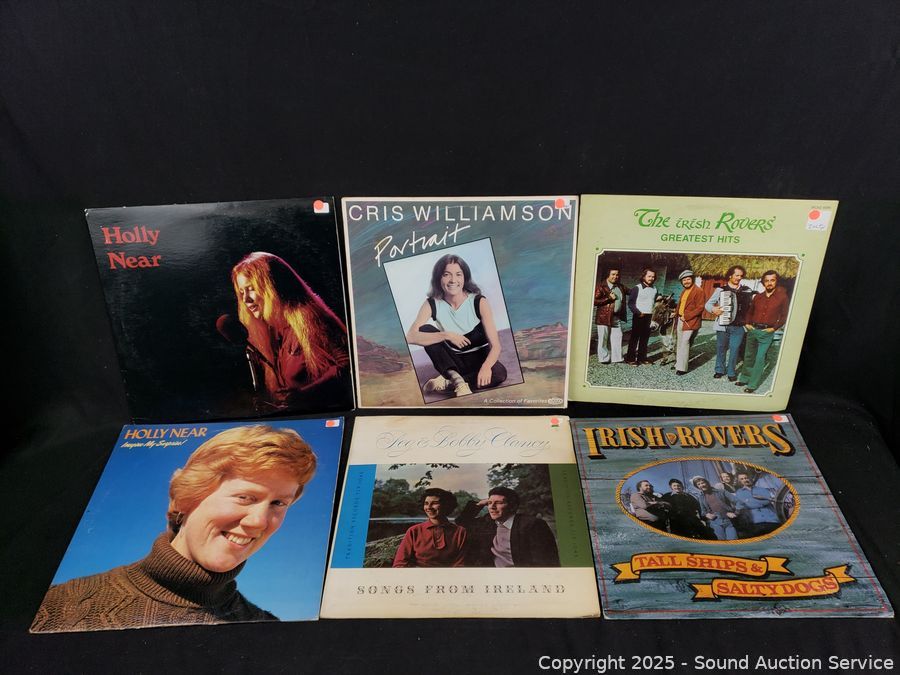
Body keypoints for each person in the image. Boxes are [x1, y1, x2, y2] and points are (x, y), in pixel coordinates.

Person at [31, 425, 317, 632]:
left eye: (278, 503)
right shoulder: (59, 605)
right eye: (245, 497)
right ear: (186, 499)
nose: (259, 521)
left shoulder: (268, 628)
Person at [232, 251, 349, 410]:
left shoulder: (312, 319)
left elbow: (349, 366)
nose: (246, 299)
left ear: (272, 287)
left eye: (251, 289)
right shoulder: (272, 332)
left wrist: (304, 395)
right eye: (241, 292)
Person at [406, 254, 507, 398]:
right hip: (454, 361)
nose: (453, 280)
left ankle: (447, 382)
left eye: (458, 274)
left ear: (465, 277)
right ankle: (457, 380)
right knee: (425, 330)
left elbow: (496, 346)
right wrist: (447, 335)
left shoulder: (479, 302)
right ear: (439, 278)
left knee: (499, 373)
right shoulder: (431, 303)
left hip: (480, 359)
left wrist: (486, 367)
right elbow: (410, 337)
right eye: (446, 274)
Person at [456, 487, 559, 567]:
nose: (492, 507)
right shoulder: (488, 522)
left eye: (499, 503)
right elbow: (461, 522)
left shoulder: (532, 525)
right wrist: (479, 504)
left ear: (513, 506)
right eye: (490, 503)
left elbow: (546, 562)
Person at [736, 270, 790, 393]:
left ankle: (752, 385)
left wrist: (774, 328)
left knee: (760, 358)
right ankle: (744, 378)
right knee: (749, 356)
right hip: (753, 330)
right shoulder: (758, 297)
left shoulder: (782, 298)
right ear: (763, 283)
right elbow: (750, 312)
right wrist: (747, 323)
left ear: (776, 282)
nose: (769, 283)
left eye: (772, 280)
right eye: (766, 281)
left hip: (766, 332)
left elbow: (784, 316)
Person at [392, 488, 467, 568]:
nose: (429, 507)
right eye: (426, 503)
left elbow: (460, 564)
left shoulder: (460, 532)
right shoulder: (414, 531)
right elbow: (399, 564)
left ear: (446, 505)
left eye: (434, 503)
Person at [704, 265, 754, 381]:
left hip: (739, 326)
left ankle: (731, 372)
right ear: (730, 275)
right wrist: (713, 309)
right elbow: (708, 304)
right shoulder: (721, 290)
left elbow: (751, 308)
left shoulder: (747, 291)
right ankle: (719, 370)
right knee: (721, 348)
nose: (739, 278)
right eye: (737, 275)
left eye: (741, 276)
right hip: (723, 326)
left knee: (735, 349)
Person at [672, 270, 706, 375]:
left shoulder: (699, 291)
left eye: (688, 279)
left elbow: (700, 308)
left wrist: (686, 316)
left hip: (691, 321)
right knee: (679, 342)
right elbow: (681, 305)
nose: (686, 281)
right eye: (684, 280)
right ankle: (678, 363)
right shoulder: (684, 291)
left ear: (692, 279)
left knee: (685, 342)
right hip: (680, 319)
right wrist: (676, 313)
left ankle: (682, 368)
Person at [593, 266, 627, 364]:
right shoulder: (601, 286)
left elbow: (633, 292)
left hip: (616, 317)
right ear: (608, 275)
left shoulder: (620, 287)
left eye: (617, 275)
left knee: (618, 336)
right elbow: (594, 301)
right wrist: (608, 299)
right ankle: (604, 358)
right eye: (613, 274)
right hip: (603, 317)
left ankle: (617, 358)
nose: (615, 276)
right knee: (603, 338)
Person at [625, 268, 658, 366]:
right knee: (634, 338)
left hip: (649, 316)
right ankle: (630, 358)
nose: (651, 278)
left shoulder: (655, 289)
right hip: (639, 315)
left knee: (645, 338)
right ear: (644, 276)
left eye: (653, 277)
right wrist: (638, 313)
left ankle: (642, 358)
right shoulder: (637, 288)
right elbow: (631, 304)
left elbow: (654, 301)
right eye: (649, 276)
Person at [732, 472, 781, 537]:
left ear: (750, 478)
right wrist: (759, 501)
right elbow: (742, 506)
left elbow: (767, 501)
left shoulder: (762, 489)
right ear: (739, 481)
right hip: (755, 522)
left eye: (746, 478)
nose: (745, 480)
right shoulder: (739, 493)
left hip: (771, 519)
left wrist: (749, 501)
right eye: (742, 479)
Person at [691, 476, 739, 541]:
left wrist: (735, 513)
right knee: (721, 542)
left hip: (728, 519)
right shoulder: (701, 498)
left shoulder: (721, 491)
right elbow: (703, 511)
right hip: (715, 521)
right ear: (697, 487)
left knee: (733, 540)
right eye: (699, 484)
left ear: (707, 483)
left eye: (703, 483)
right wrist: (707, 514)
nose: (702, 485)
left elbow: (738, 502)